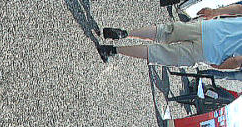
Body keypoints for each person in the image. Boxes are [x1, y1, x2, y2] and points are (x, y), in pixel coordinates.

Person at [97, 3, 242, 69]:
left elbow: (239, 8)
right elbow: (236, 61)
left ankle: (125, 33)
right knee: (160, 53)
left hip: (211, 28)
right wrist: (221, 67)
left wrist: (215, 12)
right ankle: (112, 50)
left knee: (165, 31)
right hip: (211, 52)